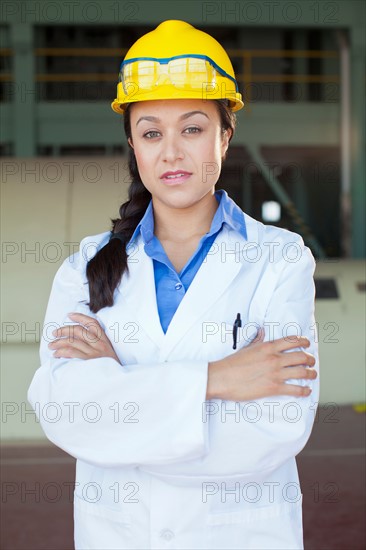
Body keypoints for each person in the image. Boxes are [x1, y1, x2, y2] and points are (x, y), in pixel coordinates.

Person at [28, 20, 319, 550]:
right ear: (134, 147)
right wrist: (218, 380)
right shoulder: (85, 268)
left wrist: (120, 399)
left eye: (192, 128)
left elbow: (276, 429)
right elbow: (67, 412)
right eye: (151, 132)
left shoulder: (280, 259)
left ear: (224, 136)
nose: (171, 152)